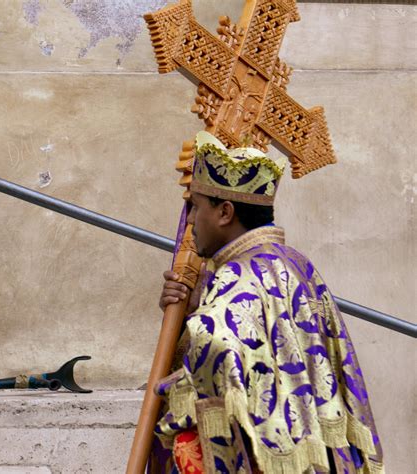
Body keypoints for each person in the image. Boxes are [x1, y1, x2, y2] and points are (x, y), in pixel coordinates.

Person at [151, 131, 384, 473]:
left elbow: (215, 346)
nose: (190, 221)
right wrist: (193, 310)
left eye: (196, 207)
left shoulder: (236, 275)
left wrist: (173, 373)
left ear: (225, 212)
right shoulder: (296, 265)